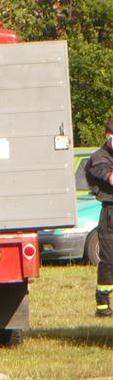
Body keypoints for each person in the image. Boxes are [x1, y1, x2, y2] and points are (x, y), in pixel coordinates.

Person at [84, 116, 113, 318]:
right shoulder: (99, 158)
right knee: (109, 260)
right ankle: (103, 304)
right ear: (108, 136)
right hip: (111, 214)